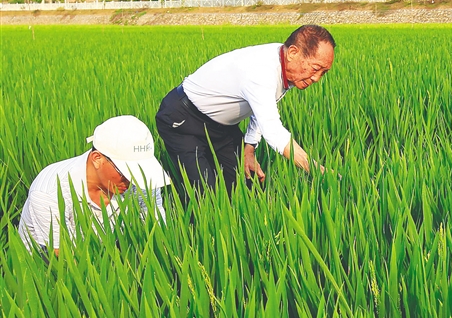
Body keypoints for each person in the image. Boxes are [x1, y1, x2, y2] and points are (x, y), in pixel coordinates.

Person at [155, 24, 335, 193]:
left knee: (245, 184)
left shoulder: (286, 65)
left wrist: (249, 149)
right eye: (315, 69)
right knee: (204, 194)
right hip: (183, 119)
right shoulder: (261, 71)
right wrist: (318, 171)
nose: (316, 78)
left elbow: (262, 108)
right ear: (293, 52)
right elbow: (273, 132)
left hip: (221, 127)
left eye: (323, 72)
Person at [17, 115, 170, 260]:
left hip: (106, 252)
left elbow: (155, 228)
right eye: (125, 171)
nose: (131, 180)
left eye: (139, 170)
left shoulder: (142, 180)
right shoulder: (50, 191)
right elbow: (64, 256)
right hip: (46, 264)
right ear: (97, 159)